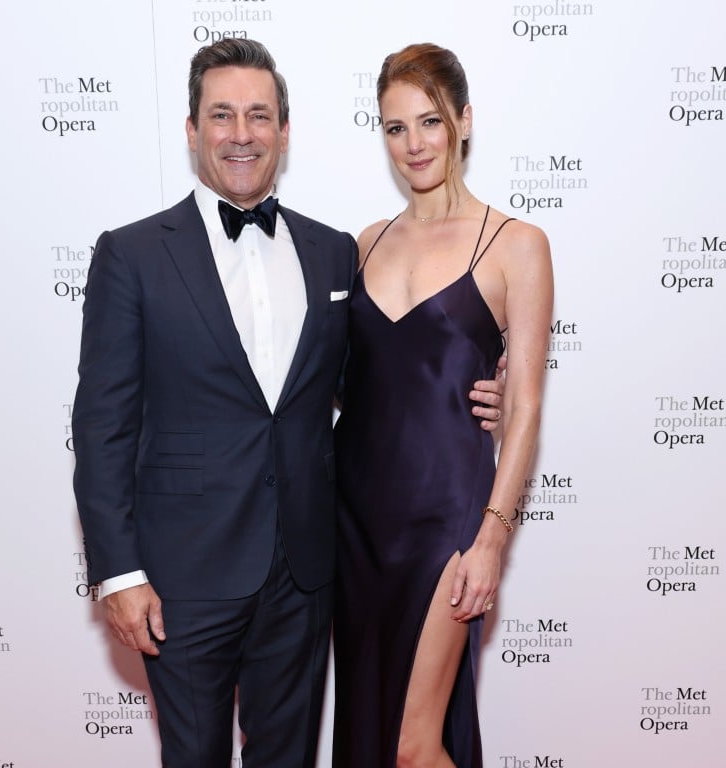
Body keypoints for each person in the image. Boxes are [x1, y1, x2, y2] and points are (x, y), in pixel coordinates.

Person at [72, 39, 505, 768]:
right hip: (183, 581)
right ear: (191, 130)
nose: (241, 133)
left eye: (259, 115)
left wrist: (475, 390)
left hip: (304, 578)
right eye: (222, 115)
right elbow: (101, 427)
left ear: (284, 130)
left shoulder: (333, 252)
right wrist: (119, 573)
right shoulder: (133, 255)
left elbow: (367, 380)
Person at [333, 43, 554, 768]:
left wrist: (491, 540)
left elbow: (523, 408)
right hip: (355, 521)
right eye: (395, 128)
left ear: (463, 120)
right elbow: (351, 382)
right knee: (370, 738)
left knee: (411, 745)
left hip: (447, 519)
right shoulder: (365, 244)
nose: (413, 144)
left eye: (428, 122)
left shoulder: (516, 244)